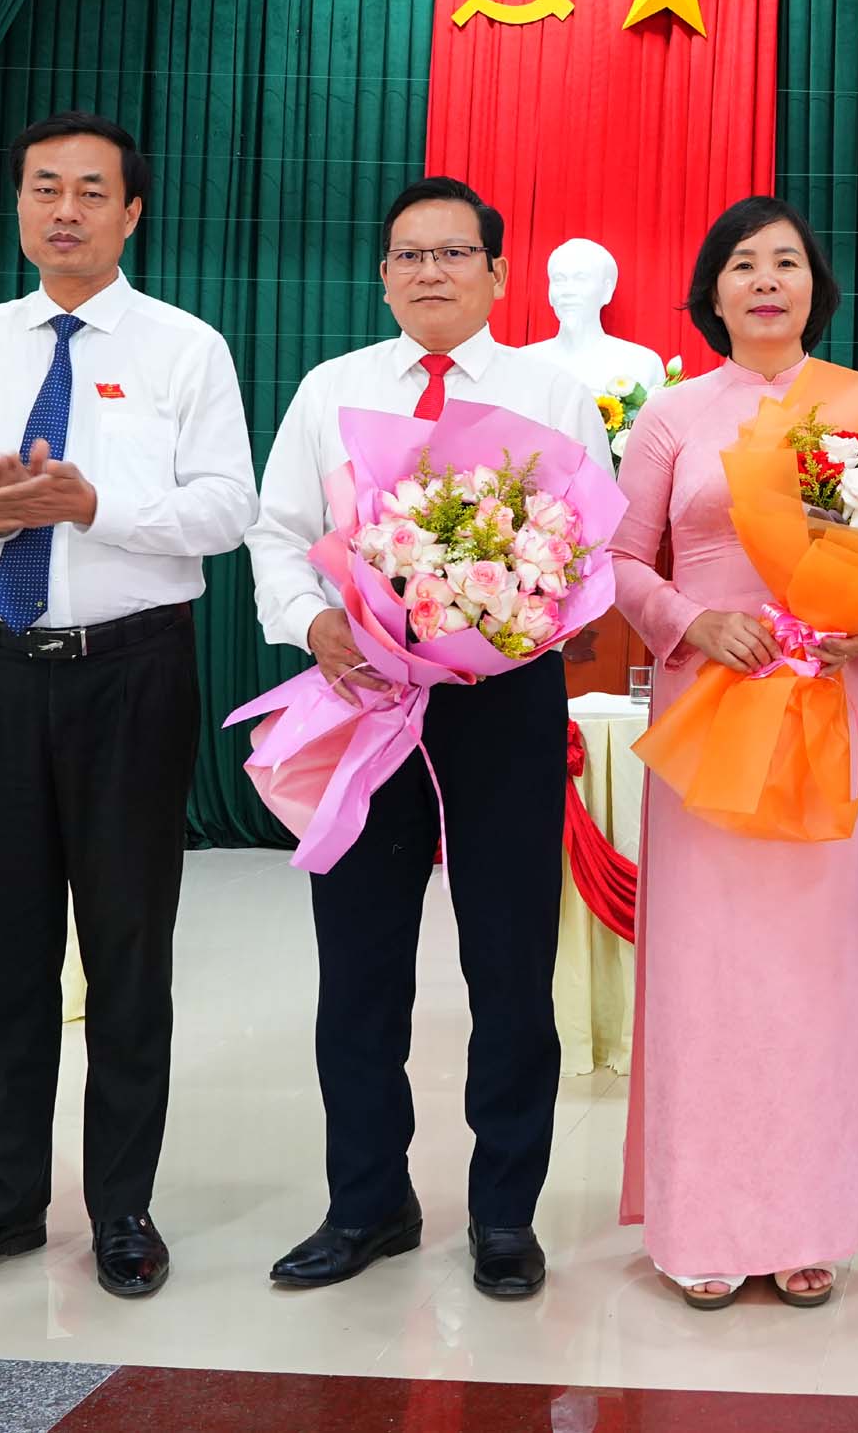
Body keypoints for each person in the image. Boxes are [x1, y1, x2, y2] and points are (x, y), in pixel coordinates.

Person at [0, 112, 256, 1299]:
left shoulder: (185, 348)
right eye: (44, 186)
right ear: (18, 205)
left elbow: (228, 509)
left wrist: (94, 505)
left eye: (92, 191)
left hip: (132, 672)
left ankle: (122, 1210)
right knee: (4, 945)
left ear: (131, 213)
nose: (65, 209)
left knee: (128, 945)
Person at [243, 176, 613, 1299]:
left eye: (454, 253)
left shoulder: (553, 393)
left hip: (502, 701)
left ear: (497, 273)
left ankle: (505, 1213)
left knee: (510, 965)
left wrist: (521, 617)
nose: (430, 272)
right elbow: (277, 532)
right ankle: (367, 1202)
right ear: (383, 275)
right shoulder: (332, 388)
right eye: (409, 254)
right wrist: (315, 622)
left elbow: (593, 551)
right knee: (359, 965)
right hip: (363, 696)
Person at [608, 196, 858, 1310]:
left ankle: (806, 1220)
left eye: (787, 261)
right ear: (714, 292)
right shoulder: (672, 415)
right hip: (707, 712)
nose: (767, 280)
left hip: (822, 707)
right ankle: (705, 1222)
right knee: (708, 972)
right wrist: (692, 620)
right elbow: (618, 559)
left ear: (815, 286)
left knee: (814, 977)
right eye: (744, 264)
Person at [521, 236, 665, 395]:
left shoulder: (642, 363)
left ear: (607, 290)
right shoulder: (522, 361)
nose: (568, 291)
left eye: (581, 278)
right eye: (559, 279)